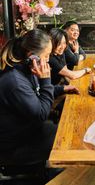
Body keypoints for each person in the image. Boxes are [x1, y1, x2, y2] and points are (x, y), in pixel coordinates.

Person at [0, 29, 57, 165]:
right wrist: (46, 80)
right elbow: (42, 113)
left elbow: (35, 92)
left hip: (26, 130)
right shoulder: (15, 82)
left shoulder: (26, 67)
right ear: (32, 56)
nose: (49, 59)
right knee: (61, 139)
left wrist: (62, 88)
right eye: (47, 55)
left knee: (57, 129)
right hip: (13, 147)